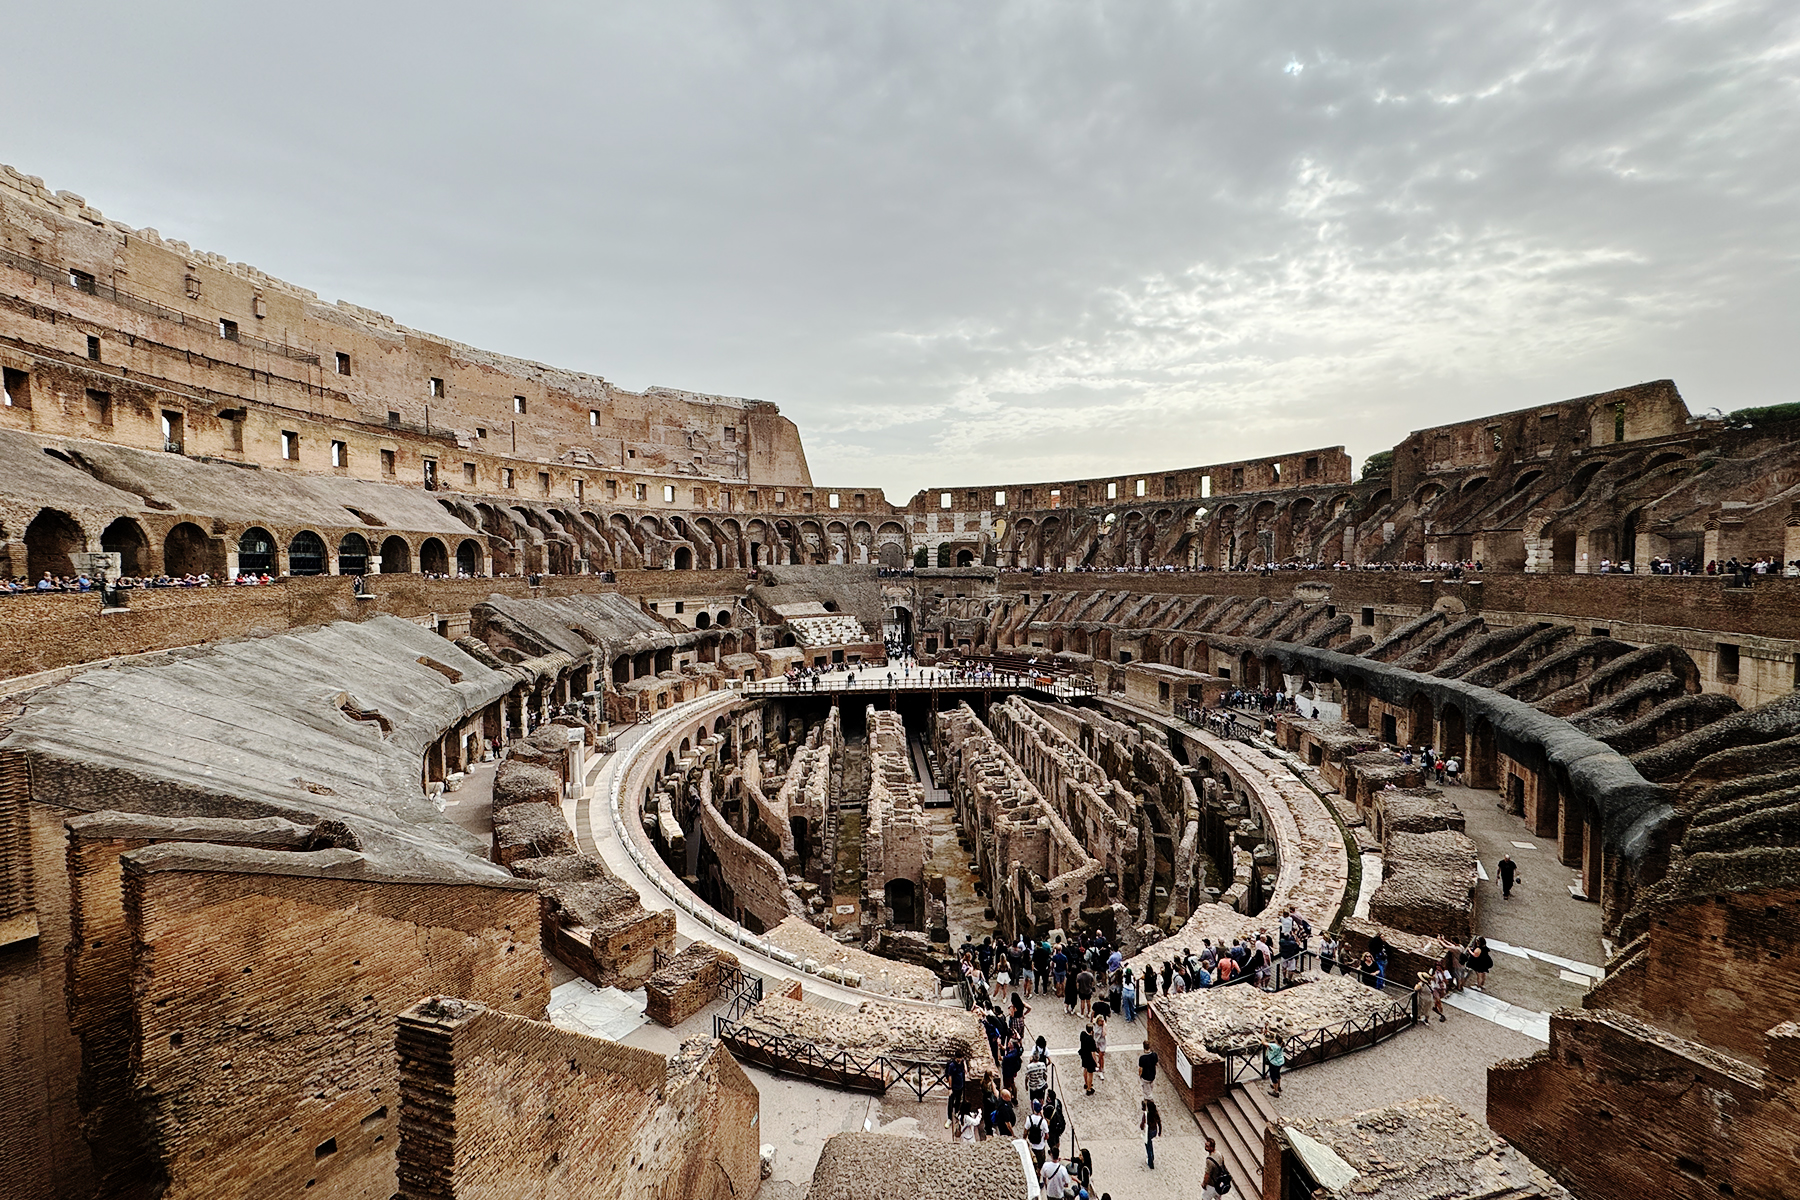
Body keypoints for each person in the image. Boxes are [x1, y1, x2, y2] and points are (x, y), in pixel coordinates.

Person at [1024, 1036, 1051, 1106]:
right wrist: (1046, 1065)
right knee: (1041, 1097)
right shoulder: (1046, 1050)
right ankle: (1041, 1107)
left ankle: (1034, 1110)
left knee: (1032, 1099)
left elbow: (1026, 1077)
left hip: (1033, 1084)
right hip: (1041, 1073)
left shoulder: (1034, 1048)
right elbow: (1050, 1061)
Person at [943, 1052, 966, 1130]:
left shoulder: (962, 1063)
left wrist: (965, 1064)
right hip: (954, 1087)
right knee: (951, 1102)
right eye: (959, 1058)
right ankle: (949, 1118)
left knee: (958, 1100)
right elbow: (950, 1076)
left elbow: (965, 1072)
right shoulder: (952, 1065)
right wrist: (950, 1088)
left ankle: (956, 1113)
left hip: (960, 1086)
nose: (960, 1060)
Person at [1261, 1027, 1286, 1097]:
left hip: (1274, 1063)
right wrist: (1269, 1031)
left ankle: (1276, 1091)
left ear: (1276, 1040)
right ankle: (1278, 1086)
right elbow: (1277, 1036)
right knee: (1278, 1074)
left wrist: (1263, 1034)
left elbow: (1263, 1042)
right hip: (1281, 1062)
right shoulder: (1282, 1044)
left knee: (1273, 1076)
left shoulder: (1274, 1046)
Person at [1024, 1100, 1049, 1167]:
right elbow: (1047, 1136)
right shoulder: (1043, 1121)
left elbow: (1025, 1131)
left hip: (1031, 1145)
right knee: (1041, 1163)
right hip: (1040, 1146)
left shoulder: (1029, 1118)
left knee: (1031, 1161)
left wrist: (1024, 1139)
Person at [1141, 1098, 1162, 1168]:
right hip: (1154, 1131)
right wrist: (1159, 1131)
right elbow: (1159, 1122)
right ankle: (1151, 1157)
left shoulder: (1146, 1115)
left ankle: (1150, 1160)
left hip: (1148, 1132)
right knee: (1150, 1142)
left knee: (1148, 1144)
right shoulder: (1155, 1114)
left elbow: (1142, 1125)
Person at [1078, 1023, 1098, 1094]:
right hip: (1089, 1057)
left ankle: (1086, 1083)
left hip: (1084, 1054)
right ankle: (1089, 1088)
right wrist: (1096, 1062)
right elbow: (1093, 1053)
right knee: (1090, 1073)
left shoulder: (1082, 1034)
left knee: (1085, 1069)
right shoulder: (1091, 1040)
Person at [1093, 1012, 1108, 1080]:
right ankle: (1098, 1067)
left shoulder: (1103, 1026)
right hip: (1096, 1042)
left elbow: (1104, 1034)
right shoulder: (1095, 1025)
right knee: (1098, 1055)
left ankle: (1101, 1069)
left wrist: (1104, 1025)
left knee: (1101, 1056)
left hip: (1102, 1043)